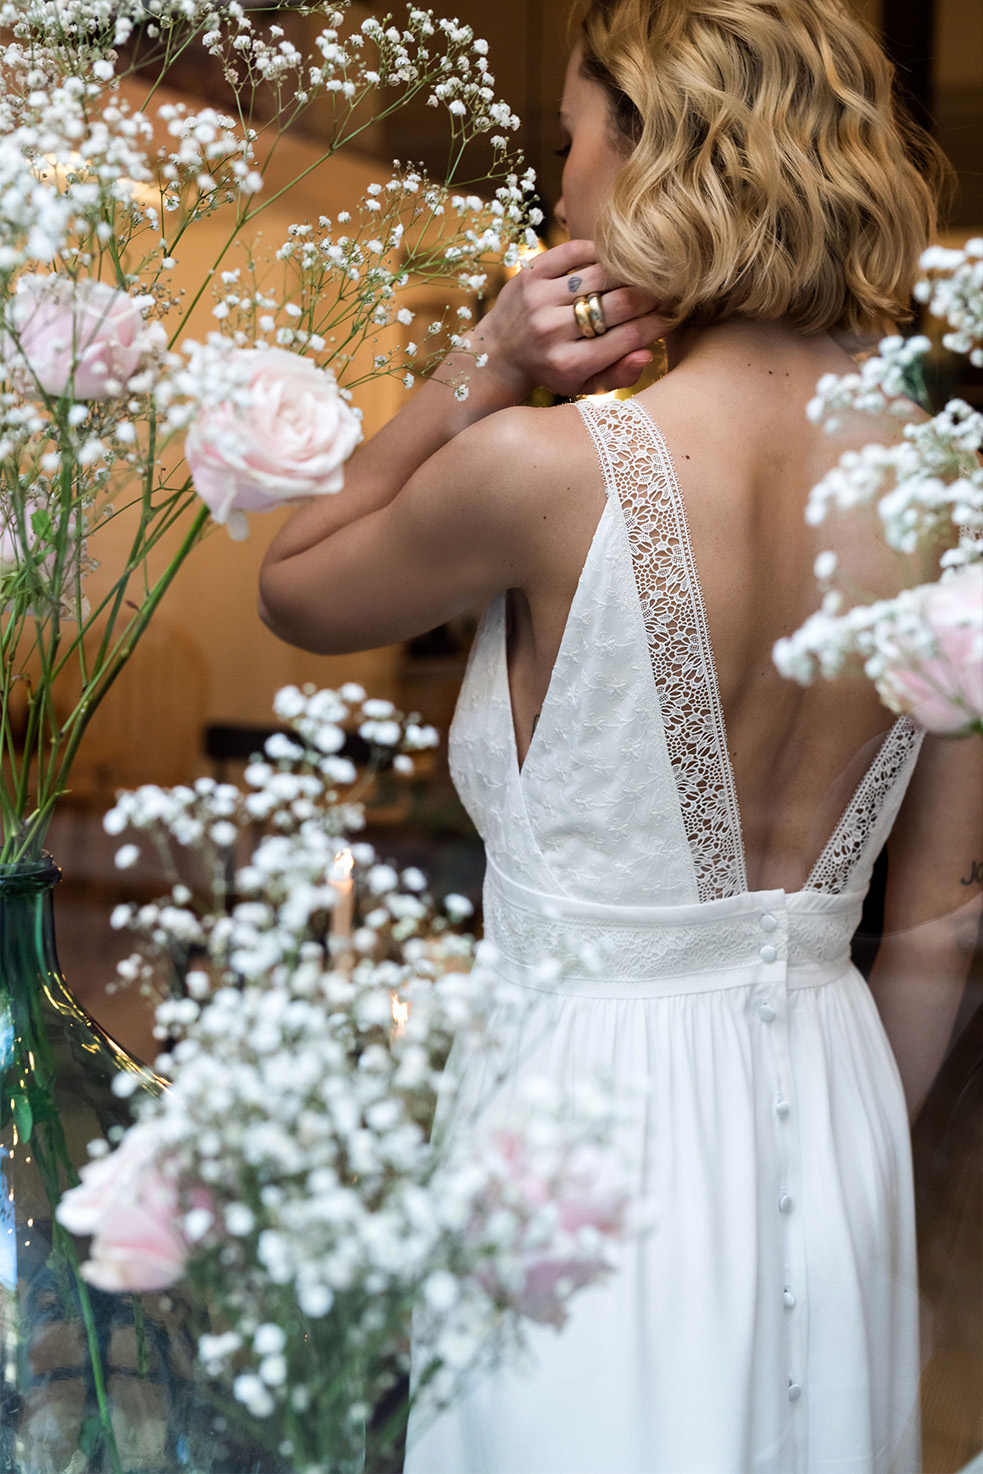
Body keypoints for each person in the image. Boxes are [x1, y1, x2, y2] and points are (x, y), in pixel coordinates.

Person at [259, 1, 982, 1468]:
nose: (561, 189)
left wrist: (487, 360)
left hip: (583, 1126)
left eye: (573, 141)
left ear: (663, 152)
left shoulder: (542, 469)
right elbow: (944, 921)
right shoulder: (954, 497)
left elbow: (294, 582)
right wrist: (819, 1132)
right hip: (840, 1117)